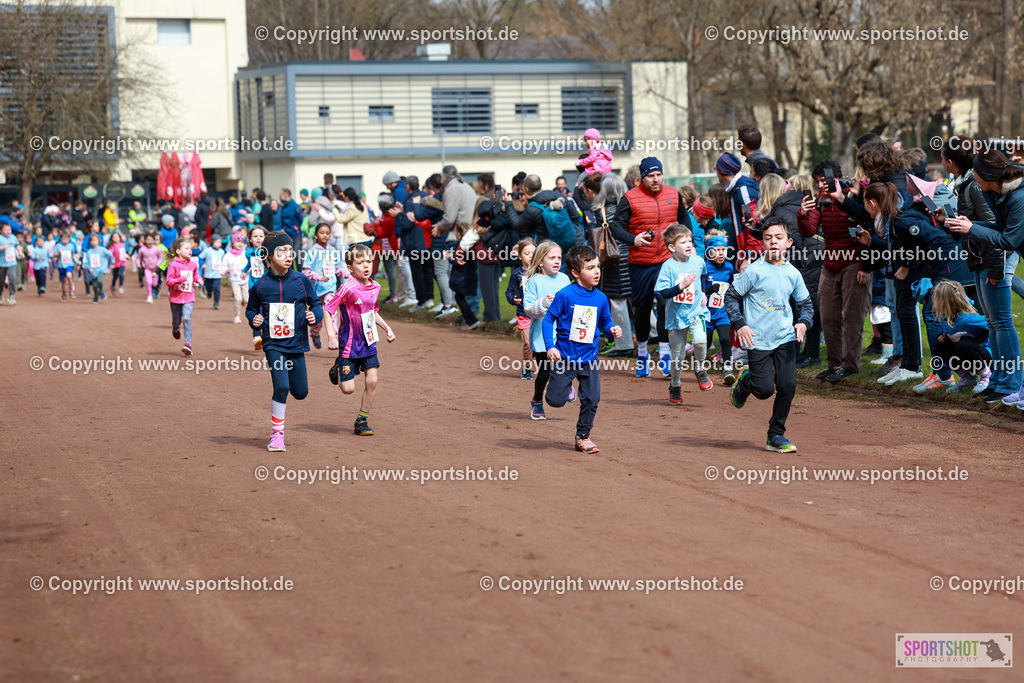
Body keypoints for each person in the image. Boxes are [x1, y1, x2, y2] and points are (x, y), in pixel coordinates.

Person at [726, 216, 813, 453]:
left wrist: (803, 323)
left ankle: (776, 434)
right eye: (768, 238)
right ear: (762, 243)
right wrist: (741, 324)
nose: (773, 242)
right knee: (764, 391)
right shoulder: (754, 271)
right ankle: (746, 381)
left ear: (789, 242)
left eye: (779, 238)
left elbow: (806, 304)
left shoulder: (793, 274)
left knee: (788, 385)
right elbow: (731, 296)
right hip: (758, 339)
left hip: (785, 338)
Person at [947, 149, 1024, 405]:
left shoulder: (1018, 197)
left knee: (1002, 322)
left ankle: (1011, 383)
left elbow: (1009, 240)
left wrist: (973, 228)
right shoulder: (1000, 191)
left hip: (997, 260)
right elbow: (999, 227)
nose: (972, 176)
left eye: (975, 172)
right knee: (994, 323)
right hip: (989, 259)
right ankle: (1002, 383)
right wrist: (968, 224)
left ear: (985, 176)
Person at [608, 157, 690, 378]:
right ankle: (643, 353)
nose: (656, 179)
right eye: (651, 176)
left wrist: (688, 245)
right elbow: (615, 227)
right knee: (642, 309)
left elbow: (684, 219)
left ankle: (664, 355)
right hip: (640, 263)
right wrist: (633, 239)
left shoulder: (674, 194)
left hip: (667, 260)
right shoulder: (629, 198)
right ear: (641, 178)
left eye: (659, 175)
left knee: (665, 305)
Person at [541, 244, 622, 454]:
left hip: (589, 359)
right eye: (590, 268)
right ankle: (566, 387)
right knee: (554, 401)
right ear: (576, 273)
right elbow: (548, 320)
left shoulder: (601, 298)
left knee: (592, 399)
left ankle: (583, 437)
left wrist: (611, 328)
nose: (597, 271)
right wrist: (550, 347)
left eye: (597, 267)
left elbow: (604, 320)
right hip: (565, 358)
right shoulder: (565, 295)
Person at [247, 231, 323, 451]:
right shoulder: (260, 286)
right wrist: (255, 319)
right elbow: (251, 310)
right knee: (281, 386)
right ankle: (277, 435)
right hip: (273, 344)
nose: (288, 255)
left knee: (300, 392)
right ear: (270, 256)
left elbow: (315, 303)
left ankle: (289, 385)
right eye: (282, 251)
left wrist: (314, 316)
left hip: (296, 343)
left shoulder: (301, 280)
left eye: (290, 250)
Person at [799, 160, 872, 379]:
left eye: (824, 181)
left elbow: (868, 224)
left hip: (853, 259)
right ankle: (834, 364)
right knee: (828, 316)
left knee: (852, 316)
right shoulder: (821, 199)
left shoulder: (855, 194)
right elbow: (809, 230)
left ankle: (850, 365)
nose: (821, 185)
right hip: (830, 260)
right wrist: (802, 214)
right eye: (818, 182)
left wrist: (865, 266)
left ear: (836, 178)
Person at [324, 244, 396, 436]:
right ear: (350, 268)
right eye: (360, 262)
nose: (366, 265)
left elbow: (372, 312)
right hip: (349, 344)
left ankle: (361, 420)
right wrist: (331, 335)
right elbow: (328, 309)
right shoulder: (347, 288)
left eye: (369, 261)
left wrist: (387, 328)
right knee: (348, 389)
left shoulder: (376, 286)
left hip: (369, 342)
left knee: (372, 381)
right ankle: (339, 366)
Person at [655, 224, 712, 404]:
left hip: (696, 311)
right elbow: (662, 293)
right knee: (677, 356)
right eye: (683, 242)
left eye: (690, 241)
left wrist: (703, 292)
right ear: (672, 247)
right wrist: (681, 286)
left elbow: (703, 275)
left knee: (701, 340)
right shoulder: (668, 267)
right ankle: (675, 384)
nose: (689, 244)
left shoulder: (697, 261)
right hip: (676, 316)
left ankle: (700, 369)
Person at [584, 173, 634, 358]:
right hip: (630, 253)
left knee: (617, 301)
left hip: (612, 258)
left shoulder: (601, 208)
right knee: (636, 299)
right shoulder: (628, 205)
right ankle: (652, 334)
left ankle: (624, 345)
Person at [523, 241, 572, 420]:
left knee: (566, 365)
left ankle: (565, 385)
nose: (557, 261)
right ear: (540, 261)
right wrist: (543, 303)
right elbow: (528, 309)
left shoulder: (565, 279)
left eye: (559, 257)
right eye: (552, 258)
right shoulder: (534, 281)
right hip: (542, 337)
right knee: (545, 372)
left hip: (563, 335)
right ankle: (537, 401)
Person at [929, 280, 992, 393]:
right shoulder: (948, 317)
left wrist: (975, 340)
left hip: (989, 357)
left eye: (937, 297)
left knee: (963, 344)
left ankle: (987, 377)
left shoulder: (966, 319)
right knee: (939, 346)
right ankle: (968, 379)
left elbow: (994, 324)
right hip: (973, 357)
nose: (933, 299)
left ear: (946, 301)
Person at [703, 233, 736, 384]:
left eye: (724, 249)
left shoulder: (729, 267)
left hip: (722, 311)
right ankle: (700, 369)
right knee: (705, 342)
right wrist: (709, 289)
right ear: (710, 252)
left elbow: (731, 285)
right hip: (707, 313)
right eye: (717, 250)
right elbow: (699, 289)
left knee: (724, 338)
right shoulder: (704, 267)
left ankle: (728, 369)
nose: (721, 253)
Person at [301, 222, 340, 349]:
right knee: (317, 319)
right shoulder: (312, 252)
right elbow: (305, 271)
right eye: (322, 233)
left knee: (332, 311)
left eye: (327, 233)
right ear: (316, 235)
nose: (325, 235)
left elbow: (336, 268)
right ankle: (315, 332)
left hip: (330, 288)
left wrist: (349, 275)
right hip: (315, 291)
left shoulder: (333, 251)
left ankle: (334, 337)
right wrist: (319, 277)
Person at [164, 237, 203, 355]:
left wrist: (199, 280)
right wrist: (181, 279)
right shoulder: (174, 265)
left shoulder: (193, 264)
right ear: (178, 251)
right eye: (186, 248)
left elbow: (196, 275)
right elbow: (168, 282)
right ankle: (175, 328)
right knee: (176, 320)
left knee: (186, 318)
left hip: (189, 297)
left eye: (190, 248)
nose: (190, 250)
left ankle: (187, 344)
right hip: (175, 298)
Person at [506, 238, 536, 380]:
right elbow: (509, 292)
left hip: (540, 314)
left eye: (533, 253)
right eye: (526, 253)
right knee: (528, 343)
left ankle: (538, 363)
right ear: (520, 256)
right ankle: (527, 368)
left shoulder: (541, 273)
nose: (530, 256)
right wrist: (513, 299)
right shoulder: (516, 274)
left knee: (539, 343)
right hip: (523, 313)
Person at [244, 226, 269, 350]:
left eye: (261, 236)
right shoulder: (248, 252)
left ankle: (265, 335)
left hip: (266, 285)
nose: (258, 238)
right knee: (256, 310)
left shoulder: (267, 252)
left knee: (266, 310)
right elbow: (249, 264)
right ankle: (256, 336)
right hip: (253, 285)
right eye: (255, 236)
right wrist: (244, 271)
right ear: (250, 239)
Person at [221, 231, 249, 324]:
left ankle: (242, 302)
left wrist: (249, 269)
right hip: (234, 280)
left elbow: (249, 264)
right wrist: (226, 270)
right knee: (238, 298)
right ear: (232, 243)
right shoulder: (228, 255)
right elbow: (223, 267)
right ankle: (237, 316)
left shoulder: (245, 253)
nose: (240, 244)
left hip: (245, 280)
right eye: (237, 242)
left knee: (246, 299)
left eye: (241, 242)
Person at [82, 233, 114, 304]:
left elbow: (110, 255)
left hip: (102, 269)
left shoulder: (102, 250)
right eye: (92, 241)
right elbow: (85, 263)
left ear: (99, 241)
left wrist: (112, 263)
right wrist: (89, 268)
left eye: (95, 240)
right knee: (94, 286)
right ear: (90, 242)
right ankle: (95, 297)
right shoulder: (89, 252)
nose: (94, 242)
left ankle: (102, 291)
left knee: (100, 280)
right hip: (93, 271)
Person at [199, 235, 225, 309]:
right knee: (209, 287)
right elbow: (200, 258)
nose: (219, 244)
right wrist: (202, 264)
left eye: (220, 242)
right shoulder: (207, 250)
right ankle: (209, 291)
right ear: (213, 242)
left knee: (217, 289)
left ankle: (216, 303)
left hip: (217, 274)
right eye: (217, 242)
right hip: (208, 273)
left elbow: (224, 261)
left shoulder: (222, 252)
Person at [0, 222, 23, 304]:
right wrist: (2, 247)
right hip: (1, 264)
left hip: (12, 263)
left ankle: (12, 295)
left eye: (9, 229)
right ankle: (0, 295)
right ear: (1, 231)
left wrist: (20, 252)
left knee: (13, 278)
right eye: (5, 230)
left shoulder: (13, 237)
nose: (8, 231)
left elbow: (17, 245)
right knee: (1, 281)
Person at [52, 231, 78, 302]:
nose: (65, 241)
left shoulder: (71, 246)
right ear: (60, 239)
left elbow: (73, 255)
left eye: (66, 239)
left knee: (69, 276)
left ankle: (71, 290)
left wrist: (76, 261)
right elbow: (54, 254)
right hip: (61, 265)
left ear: (69, 239)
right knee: (63, 281)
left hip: (69, 264)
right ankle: (64, 294)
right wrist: (58, 253)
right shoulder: (58, 246)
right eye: (63, 239)